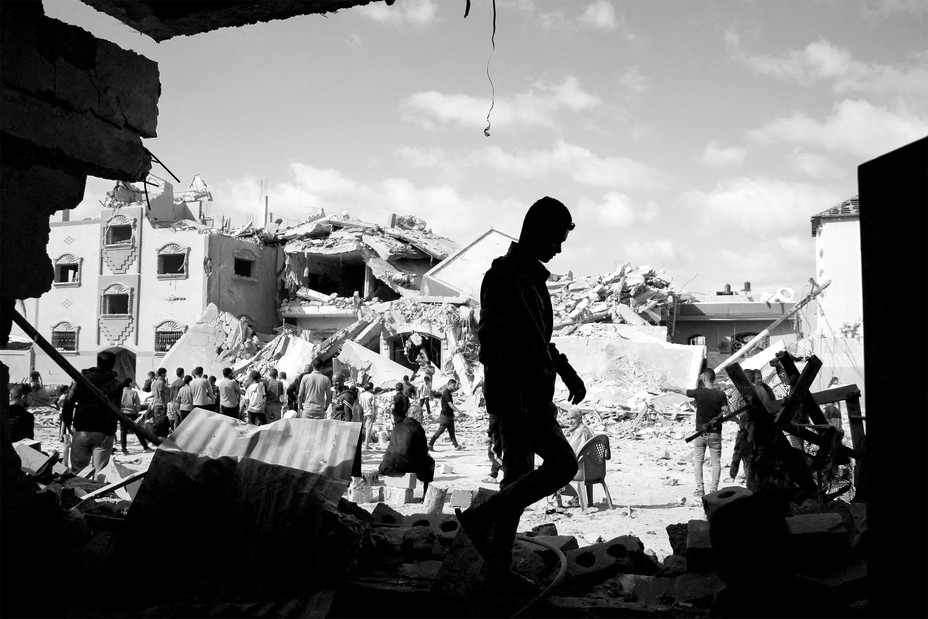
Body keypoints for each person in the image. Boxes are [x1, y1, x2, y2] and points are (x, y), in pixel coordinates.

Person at [456, 197, 585, 590]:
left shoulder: (530, 278)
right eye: (557, 239)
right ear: (538, 231)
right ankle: (482, 517)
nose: (559, 249)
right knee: (563, 466)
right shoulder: (505, 276)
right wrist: (523, 383)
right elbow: (492, 340)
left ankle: (497, 567)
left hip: (530, 391)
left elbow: (538, 338)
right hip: (519, 395)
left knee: (517, 476)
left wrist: (564, 370)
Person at [662, 368, 730, 498]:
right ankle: (714, 489)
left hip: (700, 433)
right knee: (716, 462)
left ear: (704, 377)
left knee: (698, 461)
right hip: (715, 433)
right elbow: (726, 410)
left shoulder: (699, 393)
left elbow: (680, 390)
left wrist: (668, 386)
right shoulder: (721, 395)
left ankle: (700, 488)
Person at [61, 351, 123, 475]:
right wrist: (112, 431)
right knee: (100, 472)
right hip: (103, 433)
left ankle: (79, 493)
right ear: (113, 364)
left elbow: (69, 401)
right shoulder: (116, 384)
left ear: (97, 362)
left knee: (78, 471)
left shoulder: (81, 380)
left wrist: (67, 422)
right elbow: (115, 409)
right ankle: (96, 493)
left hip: (82, 430)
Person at [378, 403, 435, 492]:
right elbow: (423, 451)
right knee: (430, 462)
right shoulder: (417, 428)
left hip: (387, 465)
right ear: (413, 414)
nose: (423, 417)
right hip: (404, 465)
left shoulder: (397, 426)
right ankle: (426, 494)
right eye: (421, 414)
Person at [556, 406, 594, 505]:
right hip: (593, 471)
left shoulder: (581, 432)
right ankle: (575, 499)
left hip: (582, 473)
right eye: (568, 419)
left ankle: (557, 503)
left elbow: (570, 454)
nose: (570, 421)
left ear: (580, 419)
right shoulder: (584, 430)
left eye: (572, 418)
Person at [428, 379, 465, 451]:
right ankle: (430, 444)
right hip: (445, 415)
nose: (454, 387)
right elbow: (450, 403)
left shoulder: (448, 393)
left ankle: (456, 446)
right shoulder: (446, 392)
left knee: (451, 431)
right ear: (450, 385)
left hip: (449, 415)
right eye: (454, 385)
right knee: (440, 430)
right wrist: (458, 411)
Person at [119, 378, 149, 453]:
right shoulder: (133, 393)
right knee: (138, 431)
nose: (133, 384)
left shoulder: (120, 392)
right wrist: (137, 412)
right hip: (132, 413)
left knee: (123, 432)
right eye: (132, 383)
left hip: (122, 413)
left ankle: (124, 449)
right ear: (129, 383)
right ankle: (145, 447)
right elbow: (137, 405)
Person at [148, 368, 171, 437]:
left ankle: (156, 435)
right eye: (165, 373)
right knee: (162, 421)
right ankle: (161, 436)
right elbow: (161, 394)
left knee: (157, 422)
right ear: (162, 374)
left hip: (156, 404)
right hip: (160, 404)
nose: (166, 375)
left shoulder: (155, 382)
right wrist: (164, 404)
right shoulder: (161, 383)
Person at [483, 412, 503, 484]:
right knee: (497, 455)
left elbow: (494, 422)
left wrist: (489, 433)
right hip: (502, 431)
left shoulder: (494, 404)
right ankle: (493, 476)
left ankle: (510, 472)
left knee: (492, 454)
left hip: (496, 433)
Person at [360, 382, 378, 449]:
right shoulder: (372, 395)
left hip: (362, 413)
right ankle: (366, 444)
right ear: (371, 388)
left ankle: (360, 442)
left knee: (361, 428)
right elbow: (373, 406)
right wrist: (375, 414)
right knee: (368, 429)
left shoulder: (361, 395)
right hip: (369, 413)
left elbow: (359, 404)